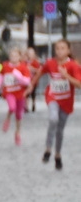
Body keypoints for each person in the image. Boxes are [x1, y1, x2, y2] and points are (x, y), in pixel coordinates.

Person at [35, 39, 80, 169]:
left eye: (62, 48)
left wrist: (67, 76)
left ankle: (58, 155)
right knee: (53, 119)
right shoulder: (50, 63)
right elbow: (40, 72)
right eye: (57, 48)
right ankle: (48, 148)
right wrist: (31, 86)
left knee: (60, 130)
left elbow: (79, 84)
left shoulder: (73, 66)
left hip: (66, 101)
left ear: (68, 50)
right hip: (52, 97)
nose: (59, 51)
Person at [0, 45, 32, 145]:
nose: (13, 58)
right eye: (11, 56)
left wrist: (19, 77)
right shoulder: (5, 66)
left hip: (20, 94)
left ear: (20, 57)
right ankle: (7, 119)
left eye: (15, 56)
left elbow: (27, 81)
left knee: (18, 115)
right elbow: (1, 76)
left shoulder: (23, 67)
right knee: (12, 107)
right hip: (9, 92)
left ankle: (17, 133)